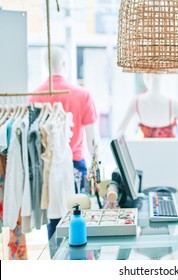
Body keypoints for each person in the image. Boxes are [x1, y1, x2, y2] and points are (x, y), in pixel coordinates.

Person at [29, 46, 99, 239]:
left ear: (46, 65)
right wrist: (96, 170)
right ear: (65, 64)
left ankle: (57, 261)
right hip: (75, 164)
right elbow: (93, 140)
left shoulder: (35, 95)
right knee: (78, 220)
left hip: (47, 169)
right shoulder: (82, 95)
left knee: (54, 222)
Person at [116, 73, 178, 138]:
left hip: (147, 154)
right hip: (166, 154)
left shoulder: (173, 103)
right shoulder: (174, 103)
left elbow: (118, 134)